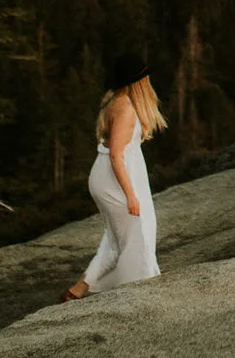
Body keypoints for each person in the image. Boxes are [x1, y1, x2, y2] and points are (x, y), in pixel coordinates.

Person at [61, 53, 164, 300]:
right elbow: (116, 155)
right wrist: (130, 195)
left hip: (110, 176)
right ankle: (138, 291)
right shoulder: (125, 108)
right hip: (115, 179)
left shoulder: (117, 101)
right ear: (138, 82)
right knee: (138, 233)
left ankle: (79, 289)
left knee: (117, 239)